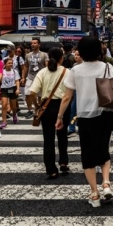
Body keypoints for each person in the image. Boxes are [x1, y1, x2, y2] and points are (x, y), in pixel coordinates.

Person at [57, 37, 113, 208]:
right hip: (106, 113)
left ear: (81, 51)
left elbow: (67, 96)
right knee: (104, 148)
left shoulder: (76, 70)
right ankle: (106, 183)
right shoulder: (107, 67)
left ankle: (94, 194)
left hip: (85, 117)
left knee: (88, 154)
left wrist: (60, 117)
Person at [29, 47, 70, 180]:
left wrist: (37, 106)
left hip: (46, 106)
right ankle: (63, 162)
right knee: (62, 135)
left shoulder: (42, 72)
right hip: (63, 105)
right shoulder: (66, 71)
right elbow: (71, 93)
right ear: (61, 58)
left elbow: (32, 92)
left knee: (48, 138)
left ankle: (51, 169)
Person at [21, 38, 48, 118]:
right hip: (30, 77)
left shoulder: (44, 55)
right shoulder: (28, 55)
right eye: (32, 43)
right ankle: (30, 110)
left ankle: (39, 110)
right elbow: (26, 66)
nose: (33, 44)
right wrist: (23, 77)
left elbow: (46, 66)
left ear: (39, 44)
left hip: (40, 77)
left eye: (35, 43)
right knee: (27, 94)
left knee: (40, 95)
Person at [0, 58, 20, 129]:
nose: (11, 64)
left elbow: (17, 81)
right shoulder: (2, 71)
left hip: (12, 89)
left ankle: (14, 114)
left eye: (11, 63)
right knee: (4, 105)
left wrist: (18, 89)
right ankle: (4, 121)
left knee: (13, 107)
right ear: (5, 64)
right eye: (9, 63)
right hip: (4, 89)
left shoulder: (14, 71)